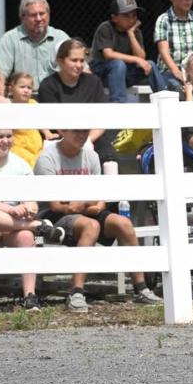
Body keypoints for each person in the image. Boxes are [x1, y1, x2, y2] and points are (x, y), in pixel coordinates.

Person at [34, 129, 163, 312]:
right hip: (56, 217)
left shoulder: (91, 155)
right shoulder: (47, 158)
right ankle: (76, 292)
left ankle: (140, 288)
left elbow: (100, 200)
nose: (82, 135)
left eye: (85, 131)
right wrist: (87, 203)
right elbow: (56, 205)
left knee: (123, 224)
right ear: (62, 131)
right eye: (77, 132)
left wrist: (86, 203)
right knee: (91, 225)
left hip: (84, 210)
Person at [0, 129, 64, 311]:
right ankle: (38, 227)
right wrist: (12, 210)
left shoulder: (20, 164)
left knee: (26, 237)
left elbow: (31, 197)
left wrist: (31, 208)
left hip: (11, 227)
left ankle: (30, 296)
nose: (5, 141)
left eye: (9, 136)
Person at [37, 39, 117, 164]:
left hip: (91, 136)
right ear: (60, 61)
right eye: (74, 60)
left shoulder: (94, 82)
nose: (79, 65)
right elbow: (55, 121)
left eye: (81, 60)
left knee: (109, 159)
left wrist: (88, 140)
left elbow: (103, 118)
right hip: (61, 138)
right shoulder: (48, 85)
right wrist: (77, 141)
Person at [90, 0, 168, 102]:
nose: (132, 19)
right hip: (103, 74)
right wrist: (136, 59)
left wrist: (131, 34)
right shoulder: (106, 27)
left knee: (150, 64)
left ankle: (166, 100)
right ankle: (120, 104)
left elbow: (141, 57)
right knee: (118, 64)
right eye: (126, 15)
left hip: (124, 73)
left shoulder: (135, 32)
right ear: (114, 17)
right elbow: (108, 54)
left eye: (134, 15)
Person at [0, 0, 70, 89]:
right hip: (22, 100)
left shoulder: (60, 38)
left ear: (48, 14)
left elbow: (80, 69)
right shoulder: (10, 39)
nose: (38, 19)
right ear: (22, 18)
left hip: (55, 98)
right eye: (33, 15)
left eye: (42, 13)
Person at [7, 71, 53, 168]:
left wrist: (47, 133)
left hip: (36, 144)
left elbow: (40, 121)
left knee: (44, 158)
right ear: (11, 89)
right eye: (22, 87)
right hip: (19, 145)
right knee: (26, 160)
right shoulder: (9, 106)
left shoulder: (33, 104)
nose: (26, 90)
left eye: (29, 88)